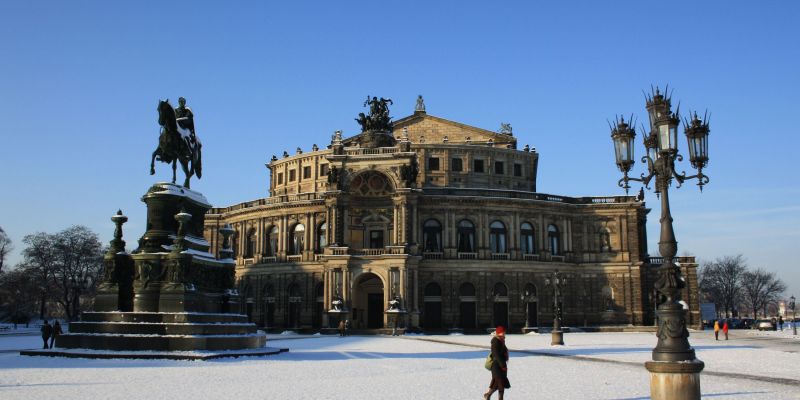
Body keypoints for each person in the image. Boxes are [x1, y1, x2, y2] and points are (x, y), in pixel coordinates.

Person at [484, 326, 510, 400]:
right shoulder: (495, 341)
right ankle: (498, 398)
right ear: (500, 333)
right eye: (503, 332)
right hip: (496, 365)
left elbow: (503, 352)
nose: (505, 333)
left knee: (498, 383)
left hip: (501, 365)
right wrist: (502, 365)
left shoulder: (501, 340)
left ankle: (488, 395)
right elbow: (496, 354)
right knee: (500, 383)